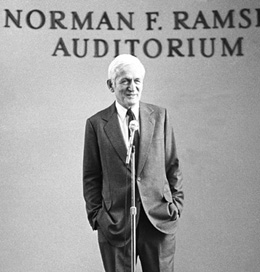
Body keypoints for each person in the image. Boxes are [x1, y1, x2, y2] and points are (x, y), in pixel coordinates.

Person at [83, 54, 184, 272]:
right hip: (115, 223)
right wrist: (98, 216)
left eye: (137, 81)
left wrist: (175, 205)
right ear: (111, 85)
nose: (132, 87)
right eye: (125, 81)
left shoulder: (159, 116)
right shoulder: (96, 124)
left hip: (158, 219)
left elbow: (172, 165)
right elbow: (91, 175)